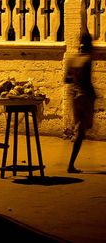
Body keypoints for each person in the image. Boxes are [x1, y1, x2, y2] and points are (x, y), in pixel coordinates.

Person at [65, 30, 96, 173]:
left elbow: (67, 79)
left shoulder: (72, 59)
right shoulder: (87, 59)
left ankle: (71, 163)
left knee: (80, 128)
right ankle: (71, 165)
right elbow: (88, 82)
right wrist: (95, 96)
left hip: (74, 96)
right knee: (81, 131)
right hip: (84, 96)